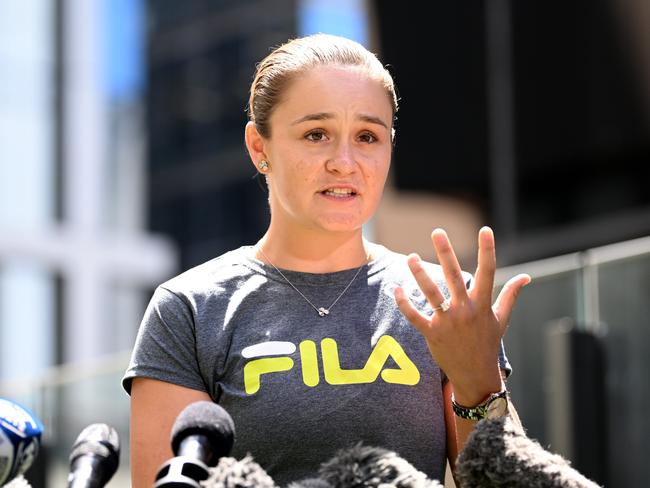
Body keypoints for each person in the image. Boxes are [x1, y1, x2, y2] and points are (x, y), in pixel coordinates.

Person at [122, 33, 531, 487]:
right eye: (316, 134)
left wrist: (480, 384)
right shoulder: (190, 309)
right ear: (260, 148)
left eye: (368, 136)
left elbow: (499, 484)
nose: (345, 162)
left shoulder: (445, 302)